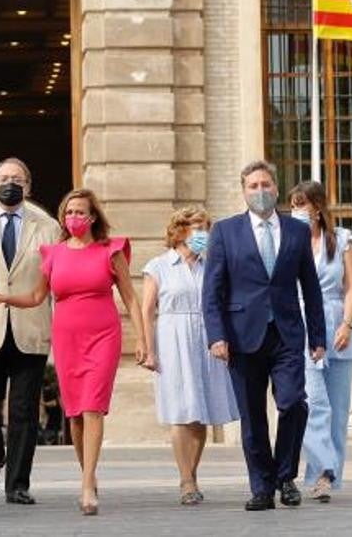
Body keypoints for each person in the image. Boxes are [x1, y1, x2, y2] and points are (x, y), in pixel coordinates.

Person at [0, 188, 146, 516]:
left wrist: (143, 340)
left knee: (93, 408)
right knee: (74, 415)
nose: (74, 217)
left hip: (103, 335)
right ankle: (88, 471)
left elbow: (130, 297)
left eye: (80, 212)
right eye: (69, 212)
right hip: (67, 338)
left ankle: (87, 485)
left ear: (93, 217)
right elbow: (35, 297)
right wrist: (3, 298)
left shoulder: (110, 250)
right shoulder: (53, 253)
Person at [202, 160, 326, 512]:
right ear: (243, 191)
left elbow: (311, 287)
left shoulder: (297, 231)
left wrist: (318, 335)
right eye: (253, 186)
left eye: (266, 185)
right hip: (242, 337)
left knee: (292, 403)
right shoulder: (225, 232)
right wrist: (216, 336)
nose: (260, 191)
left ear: (276, 188)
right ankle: (261, 486)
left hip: (286, 333)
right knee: (253, 415)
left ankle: (285, 476)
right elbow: (213, 290)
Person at [0, 157, 59, 505]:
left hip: (31, 328)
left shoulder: (48, 226)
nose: (11, 183)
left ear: (28, 186)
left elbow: (56, 279)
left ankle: (18, 483)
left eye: (17, 178)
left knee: (23, 410)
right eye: (4, 178)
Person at [140, 207, 239, 506]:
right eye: (196, 226)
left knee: (201, 413)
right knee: (180, 411)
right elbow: (147, 309)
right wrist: (148, 348)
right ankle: (185, 479)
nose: (202, 233)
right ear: (180, 229)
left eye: (206, 227)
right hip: (172, 337)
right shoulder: (158, 265)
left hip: (205, 337)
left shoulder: (213, 264)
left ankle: (191, 475)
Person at [289, 180, 352, 503]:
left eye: (301, 204)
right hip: (303, 327)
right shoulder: (289, 242)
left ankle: (326, 476)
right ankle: (325, 468)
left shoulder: (342, 240)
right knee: (315, 403)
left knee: (337, 409)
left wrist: (346, 324)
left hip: (337, 324)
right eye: (292, 205)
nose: (296, 211)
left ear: (317, 208)